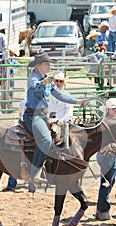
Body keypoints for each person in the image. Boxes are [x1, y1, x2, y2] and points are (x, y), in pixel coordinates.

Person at [2, 71, 74, 192]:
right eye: (56, 81)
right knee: (30, 144)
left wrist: (59, 120)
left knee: (58, 146)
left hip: (58, 123)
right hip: (44, 120)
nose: (58, 83)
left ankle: (49, 174)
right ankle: (27, 177)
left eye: (61, 81)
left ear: (64, 83)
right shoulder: (47, 92)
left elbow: (68, 114)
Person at [23, 52, 84, 192]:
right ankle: (33, 175)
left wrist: (78, 101)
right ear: (39, 65)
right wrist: (45, 81)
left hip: (43, 115)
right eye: (46, 64)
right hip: (33, 116)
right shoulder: (34, 77)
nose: (49, 66)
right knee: (45, 141)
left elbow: (60, 95)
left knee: (57, 139)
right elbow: (35, 87)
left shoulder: (46, 80)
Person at [95, 98, 116, 220]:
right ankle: (103, 210)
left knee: (108, 182)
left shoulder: (107, 121)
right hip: (107, 154)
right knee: (107, 183)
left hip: (109, 154)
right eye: (113, 108)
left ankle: (101, 209)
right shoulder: (106, 122)